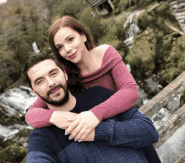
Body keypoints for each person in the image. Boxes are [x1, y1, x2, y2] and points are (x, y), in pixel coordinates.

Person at [25, 16, 161, 162]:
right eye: (60, 47)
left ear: (83, 35)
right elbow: (31, 115)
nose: (67, 49)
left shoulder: (106, 53)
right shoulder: (61, 76)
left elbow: (130, 91)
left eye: (70, 40)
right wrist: (54, 117)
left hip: (124, 126)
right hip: (96, 140)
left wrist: (96, 114)